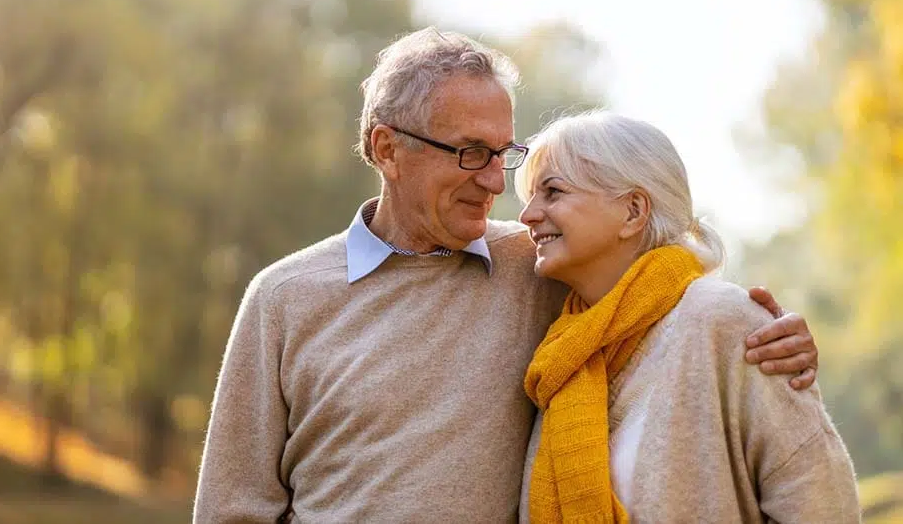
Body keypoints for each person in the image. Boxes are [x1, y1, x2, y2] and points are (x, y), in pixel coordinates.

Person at [193, 28, 820, 523]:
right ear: (387, 150)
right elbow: (232, 509)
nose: (496, 181)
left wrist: (772, 335)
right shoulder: (283, 298)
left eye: (504, 153)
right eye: (470, 152)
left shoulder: (543, 265)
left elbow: (660, 276)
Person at [515, 111, 858, 523]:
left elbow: (820, 500)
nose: (527, 216)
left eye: (552, 192)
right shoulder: (562, 353)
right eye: (530, 197)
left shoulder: (725, 321)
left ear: (633, 211)